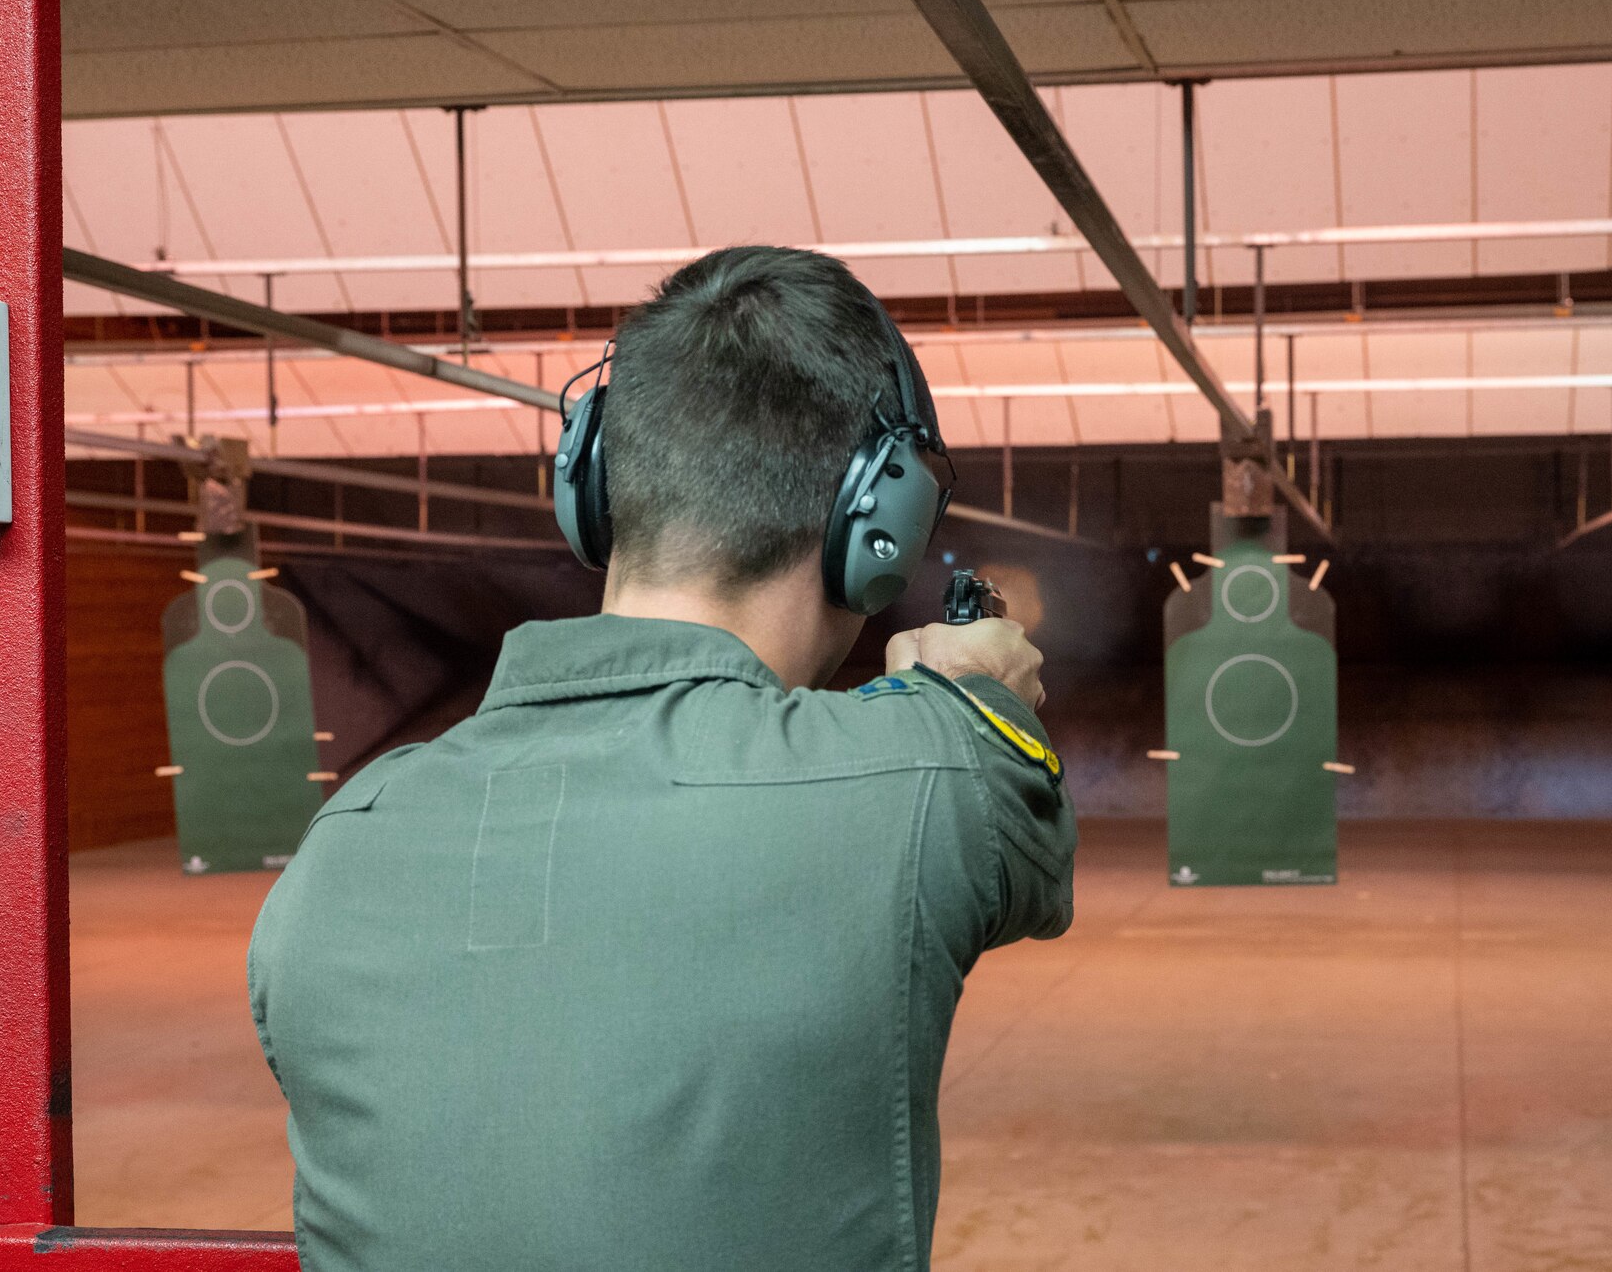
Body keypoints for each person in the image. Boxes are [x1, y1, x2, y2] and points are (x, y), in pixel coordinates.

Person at [247, 246, 1075, 1271]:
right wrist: (973, 687)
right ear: (882, 520)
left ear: (590, 481)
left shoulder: (343, 842)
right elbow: (1009, 785)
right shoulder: (927, 771)